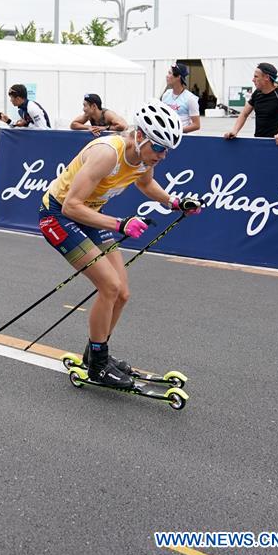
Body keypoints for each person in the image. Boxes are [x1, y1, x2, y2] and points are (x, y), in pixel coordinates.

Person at [37, 100, 201, 388]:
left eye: (167, 150)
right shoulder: (106, 154)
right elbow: (71, 207)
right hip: (59, 215)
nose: (162, 156)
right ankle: (98, 367)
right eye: (159, 148)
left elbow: (146, 184)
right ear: (140, 137)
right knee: (109, 286)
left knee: (122, 292)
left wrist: (174, 202)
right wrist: (121, 224)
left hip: (90, 214)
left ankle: (95, 353)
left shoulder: (142, 158)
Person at [224, 63, 278, 144]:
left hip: (276, 143)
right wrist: (234, 131)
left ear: (267, 77)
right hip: (258, 141)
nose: (253, 80)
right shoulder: (256, 94)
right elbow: (244, 113)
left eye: (256, 76)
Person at [160, 63, 200, 133]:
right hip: (168, 139)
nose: (167, 76)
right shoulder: (166, 94)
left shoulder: (190, 98)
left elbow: (196, 125)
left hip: (183, 139)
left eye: (170, 73)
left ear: (178, 76)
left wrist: (177, 131)